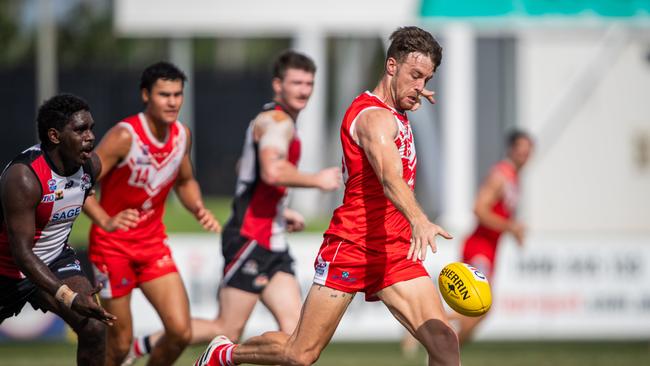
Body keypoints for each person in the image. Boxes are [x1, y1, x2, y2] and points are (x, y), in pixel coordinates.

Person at [196, 26, 461, 366]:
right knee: (300, 353)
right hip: (352, 245)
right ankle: (224, 353)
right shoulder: (373, 119)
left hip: (394, 249)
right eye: (415, 75)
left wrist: (412, 93)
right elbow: (389, 178)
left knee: (444, 343)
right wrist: (420, 219)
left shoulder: (395, 108)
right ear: (391, 66)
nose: (421, 86)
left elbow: (399, 110)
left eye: (426, 79)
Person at [130, 50, 341, 364]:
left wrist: (282, 212)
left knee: (299, 337)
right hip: (250, 238)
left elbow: (249, 170)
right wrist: (317, 179)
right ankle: (143, 345)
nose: (304, 90)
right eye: (296, 82)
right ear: (277, 85)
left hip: (273, 239)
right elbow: (271, 171)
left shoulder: (278, 123)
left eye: (309, 83)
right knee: (226, 327)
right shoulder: (276, 121)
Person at [83, 61, 221, 366]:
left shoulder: (182, 136)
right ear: (146, 95)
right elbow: (79, 184)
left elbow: (185, 181)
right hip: (112, 247)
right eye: (164, 94)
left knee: (181, 332)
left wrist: (198, 208)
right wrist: (106, 220)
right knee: (118, 346)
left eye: (177, 94)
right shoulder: (124, 136)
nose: (172, 102)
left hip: (151, 244)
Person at [0, 94, 117, 366]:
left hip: (54, 259)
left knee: (94, 327)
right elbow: (22, 254)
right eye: (80, 130)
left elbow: (77, 193)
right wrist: (68, 296)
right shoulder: (24, 177)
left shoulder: (90, 166)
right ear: (54, 136)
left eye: (91, 128)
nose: (90, 137)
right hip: (8, 267)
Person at [455, 130, 534, 345]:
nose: (524, 156)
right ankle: (431, 329)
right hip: (479, 247)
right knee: (480, 306)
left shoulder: (514, 179)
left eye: (528, 152)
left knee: (481, 310)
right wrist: (510, 227)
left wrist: (513, 230)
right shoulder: (500, 176)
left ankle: (443, 350)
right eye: (521, 151)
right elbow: (479, 209)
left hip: (490, 248)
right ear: (511, 150)